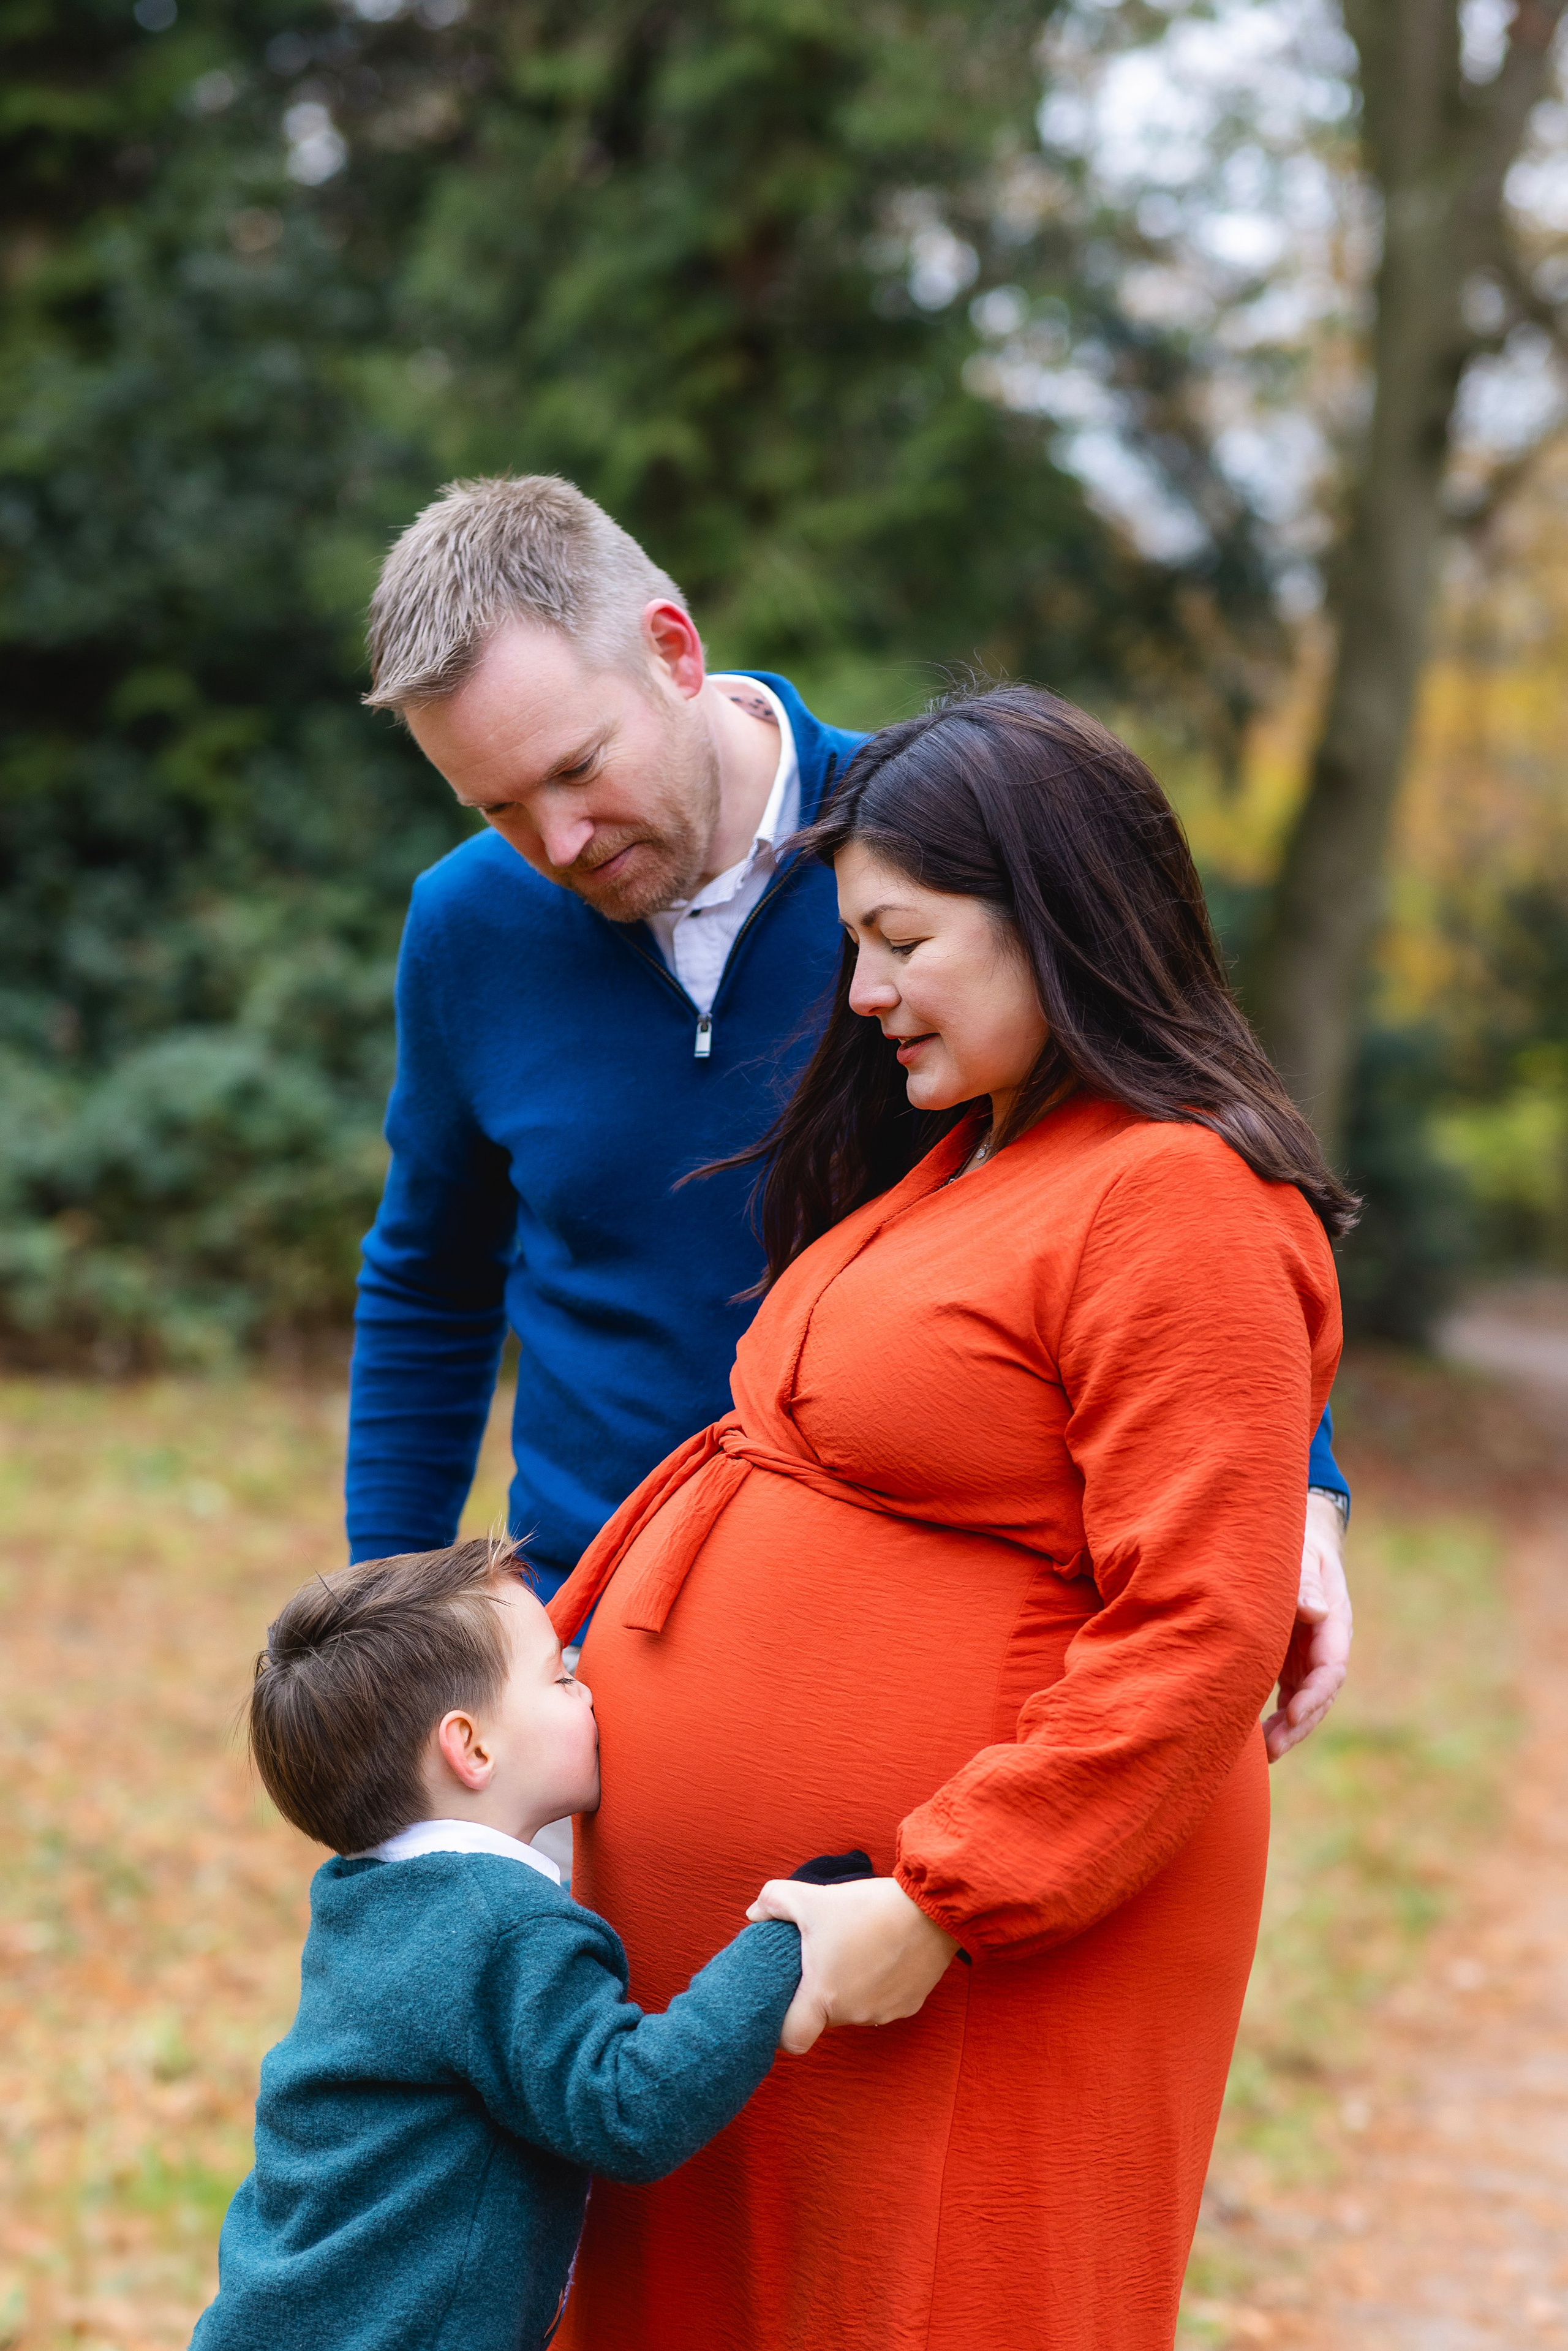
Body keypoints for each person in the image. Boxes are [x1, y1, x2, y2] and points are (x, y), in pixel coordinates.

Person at [543, 685, 1352, 2350]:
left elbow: (1199, 1627)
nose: (861, 992)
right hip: (786, 1971)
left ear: (1051, 908)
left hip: (967, 1953)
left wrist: (938, 1896)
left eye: (902, 938)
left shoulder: (1178, 1194)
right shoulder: (980, 1155)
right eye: (853, 940)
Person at [348, 474, 1351, 1768]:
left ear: (671, 648)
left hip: (912, 1663)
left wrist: (1297, 1483)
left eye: (576, 768)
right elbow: (429, 1277)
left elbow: (1164, 1132)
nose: (557, 838)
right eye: (494, 807)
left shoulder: (933, 849)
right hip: (584, 1652)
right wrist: (391, 1614)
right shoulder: (466, 925)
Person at [189, 1537, 811, 2351]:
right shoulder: (502, 1924)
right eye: (561, 1676)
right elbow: (629, 2104)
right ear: (472, 1748)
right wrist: (788, 1936)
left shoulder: (366, 1895)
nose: (590, 1694)